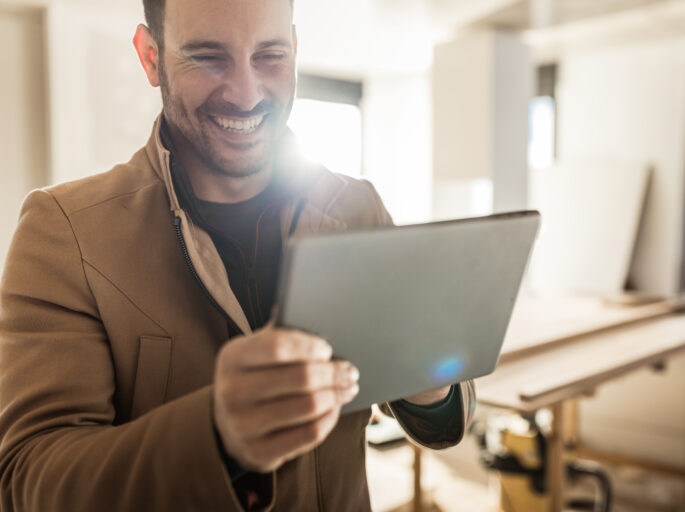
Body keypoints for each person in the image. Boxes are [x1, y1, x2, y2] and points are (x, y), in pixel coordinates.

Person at [0, 0, 475, 510]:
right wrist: (213, 435)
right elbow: (28, 481)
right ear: (150, 57)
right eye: (208, 57)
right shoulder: (64, 231)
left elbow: (447, 412)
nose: (247, 95)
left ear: (294, 50)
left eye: (269, 54)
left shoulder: (358, 207)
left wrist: (430, 382)